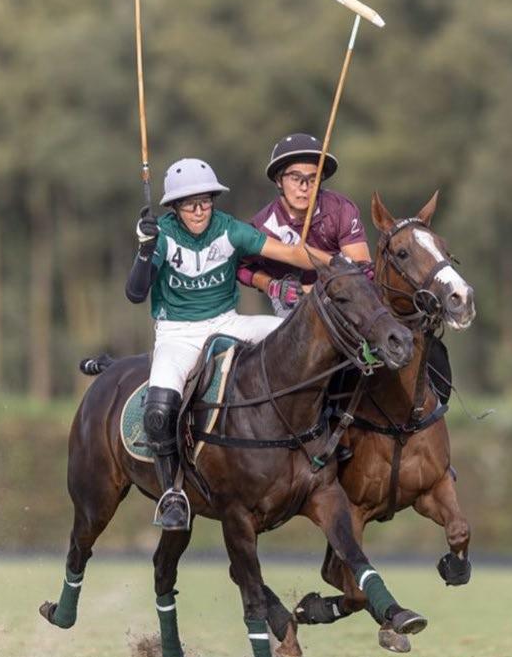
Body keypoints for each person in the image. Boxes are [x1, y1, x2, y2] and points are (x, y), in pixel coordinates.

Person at [126, 156, 316, 529]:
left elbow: (292, 254)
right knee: (158, 410)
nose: (199, 211)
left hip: (227, 322)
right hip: (177, 334)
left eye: (205, 202)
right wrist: (146, 250)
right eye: (189, 204)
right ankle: (172, 494)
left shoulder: (229, 229)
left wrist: (342, 267)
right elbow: (134, 293)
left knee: (299, 340)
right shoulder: (162, 236)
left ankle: (323, 443)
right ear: (174, 207)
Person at [238, 134, 371, 316]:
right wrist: (272, 286)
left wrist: (318, 289)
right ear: (278, 180)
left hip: (342, 294)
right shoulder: (262, 227)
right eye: (295, 178)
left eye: (313, 179)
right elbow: (241, 267)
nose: (304, 187)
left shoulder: (340, 208)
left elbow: (361, 266)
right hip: (293, 305)